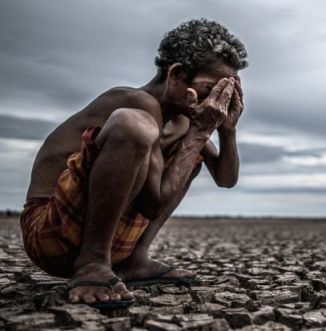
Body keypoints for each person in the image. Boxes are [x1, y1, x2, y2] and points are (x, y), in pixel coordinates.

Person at [20, 18, 247, 308]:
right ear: (176, 74)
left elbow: (226, 179)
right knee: (135, 126)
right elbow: (151, 205)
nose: (215, 102)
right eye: (210, 90)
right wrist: (200, 132)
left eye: (224, 94)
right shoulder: (136, 103)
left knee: (191, 151)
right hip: (51, 233)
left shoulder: (182, 120)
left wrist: (227, 130)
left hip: (115, 242)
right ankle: (92, 262)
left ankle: (133, 261)